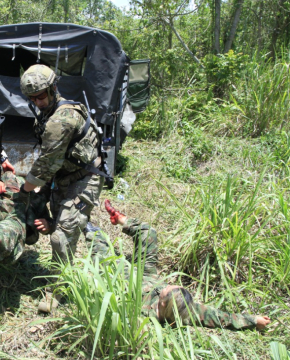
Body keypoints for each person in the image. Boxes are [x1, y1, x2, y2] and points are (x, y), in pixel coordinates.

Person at [18, 64, 108, 312]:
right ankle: (70, 241)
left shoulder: (62, 119)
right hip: (63, 176)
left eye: (41, 96)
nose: (37, 102)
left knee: (60, 237)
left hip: (83, 178)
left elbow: (47, 163)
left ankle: (58, 289)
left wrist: (25, 190)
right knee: (55, 225)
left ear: (53, 88)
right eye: (32, 98)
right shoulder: (47, 114)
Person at [103, 199, 271, 330]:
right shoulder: (188, 308)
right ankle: (120, 219)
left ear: (163, 304)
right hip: (148, 274)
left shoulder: (146, 313)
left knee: (110, 258)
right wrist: (253, 321)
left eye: (167, 291)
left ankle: (89, 231)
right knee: (149, 234)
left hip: (132, 282)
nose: (167, 286)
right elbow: (220, 317)